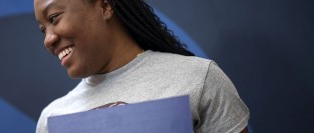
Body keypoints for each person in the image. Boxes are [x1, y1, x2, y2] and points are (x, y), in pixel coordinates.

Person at [34, 0, 250, 132]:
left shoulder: (199, 78)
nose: (48, 39)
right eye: (43, 29)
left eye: (54, 18)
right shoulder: (52, 119)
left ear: (105, 6)